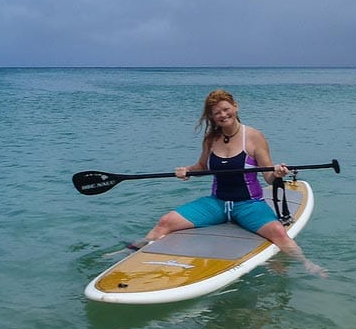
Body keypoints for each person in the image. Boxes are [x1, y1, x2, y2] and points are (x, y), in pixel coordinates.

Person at [127, 89, 327, 277]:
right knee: (166, 221)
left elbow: (268, 176)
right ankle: (134, 252)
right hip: (217, 203)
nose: (223, 115)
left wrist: (277, 173)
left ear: (235, 107)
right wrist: (186, 170)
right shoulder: (211, 139)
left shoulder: (254, 137)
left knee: (278, 233)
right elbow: (202, 167)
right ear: (212, 117)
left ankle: (307, 264)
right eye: (217, 113)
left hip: (249, 204)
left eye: (226, 109)